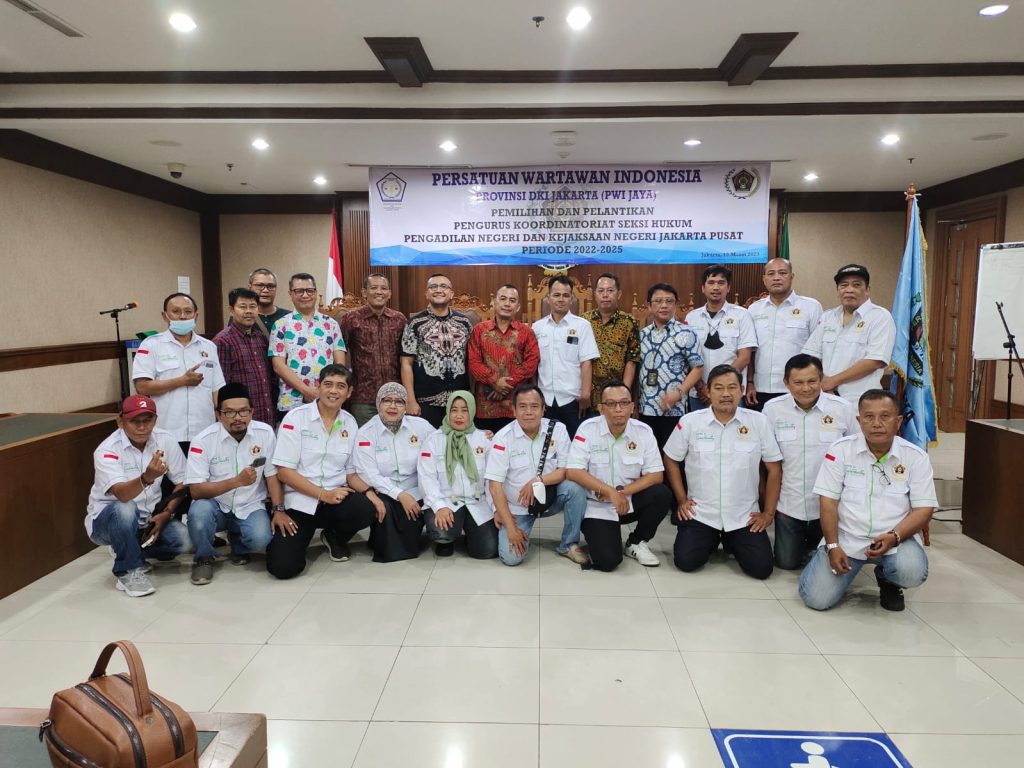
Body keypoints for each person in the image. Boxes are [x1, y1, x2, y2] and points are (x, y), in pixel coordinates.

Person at [799, 389, 937, 611]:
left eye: (885, 416)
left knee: (911, 572)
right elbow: (828, 502)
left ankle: (888, 579)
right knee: (816, 599)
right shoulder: (840, 451)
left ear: (898, 421)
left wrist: (894, 536)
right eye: (869, 417)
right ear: (859, 421)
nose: (876, 424)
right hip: (847, 537)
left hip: (896, 538)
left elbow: (924, 509)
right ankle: (828, 559)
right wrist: (833, 545)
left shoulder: (915, 457)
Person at [664, 364, 782, 580]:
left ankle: (731, 540)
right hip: (702, 514)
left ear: (742, 390)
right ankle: (712, 539)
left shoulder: (759, 422)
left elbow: (774, 468)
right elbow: (671, 458)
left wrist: (768, 513)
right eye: (718, 388)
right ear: (708, 392)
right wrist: (681, 500)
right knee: (686, 561)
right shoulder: (690, 422)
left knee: (762, 568)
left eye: (732, 387)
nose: (726, 394)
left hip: (743, 516)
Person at [267, 364, 377, 579]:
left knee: (365, 509)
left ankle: (334, 536)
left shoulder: (350, 423)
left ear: (349, 392)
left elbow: (350, 473)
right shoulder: (295, 418)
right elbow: (284, 472)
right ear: (318, 387)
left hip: (335, 499)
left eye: (340, 386)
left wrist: (370, 493)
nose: (333, 391)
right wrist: (322, 494)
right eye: (328, 384)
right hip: (300, 501)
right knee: (283, 568)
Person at [85, 395, 191, 598]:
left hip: (148, 520)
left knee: (184, 541)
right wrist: (146, 478)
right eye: (135, 421)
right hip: (107, 522)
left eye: (147, 420)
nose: (142, 427)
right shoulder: (107, 450)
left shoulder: (165, 440)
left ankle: (127, 547)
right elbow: (122, 494)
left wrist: (167, 513)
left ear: (155, 420)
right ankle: (128, 571)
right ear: (120, 421)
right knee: (125, 508)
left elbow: (183, 481)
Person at [762, 354, 859, 570]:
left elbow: (856, 453)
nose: (806, 388)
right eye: (798, 382)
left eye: (812, 381)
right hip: (789, 505)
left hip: (828, 506)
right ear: (786, 382)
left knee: (826, 559)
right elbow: (767, 462)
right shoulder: (772, 409)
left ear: (821, 379)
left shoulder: (842, 408)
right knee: (787, 563)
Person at [567, 381, 672, 571]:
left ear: (632, 407)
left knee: (661, 494)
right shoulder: (587, 429)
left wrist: (621, 492)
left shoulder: (643, 432)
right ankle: (605, 536)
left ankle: (636, 542)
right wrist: (608, 491)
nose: (618, 409)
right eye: (611, 404)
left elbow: (656, 474)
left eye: (624, 403)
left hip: (627, 501)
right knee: (608, 561)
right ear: (600, 408)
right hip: (596, 505)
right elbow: (573, 471)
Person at [185, 383, 280, 585]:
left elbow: (272, 476)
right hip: (215, 505)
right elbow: (196, 490)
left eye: (243, 411)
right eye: (229, 412)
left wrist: (279, 509)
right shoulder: (203, 440)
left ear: (252, 411)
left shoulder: (265, 433)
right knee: (199, 513)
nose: (238, 417)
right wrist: (236, 482)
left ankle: (238, 542)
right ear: (218, 414)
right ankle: (203, 557)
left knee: (261, 540)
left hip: (250, 504)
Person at [486, 384, 589, 566]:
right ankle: (519, 530)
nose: (529, 412)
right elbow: (494, 486)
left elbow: (566, 470)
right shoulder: (502, 438)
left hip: (549, 498)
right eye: (522, 406)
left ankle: (568, 544)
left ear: (543, 409)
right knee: (511, 559)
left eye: (534, 406)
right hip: (517, 507)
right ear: (514, 410)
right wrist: (510, 526)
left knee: (575, 488)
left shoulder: (558, 430)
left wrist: (538, 481)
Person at [132, 292, 225, 448]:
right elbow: (142, 387)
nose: (182, 316)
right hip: (166, 432)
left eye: (188, 311)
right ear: (165, 316)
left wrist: (223, 422)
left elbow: (217, 390)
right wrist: (181, 381)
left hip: (204, 431)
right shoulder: (151, 345)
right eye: (176, 311)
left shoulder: (209, 346)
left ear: (196, 316)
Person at [356, 383, 436, 562]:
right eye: (387, 401)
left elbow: (441, 443)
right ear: (378, 403)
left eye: (399, 402)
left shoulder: (421, 426)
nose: (393, 406)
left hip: (416, 490)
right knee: (386, 513)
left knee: (410, 524)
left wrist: (479, 435)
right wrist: (399, 494)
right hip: (384, 490)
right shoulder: (366, 433)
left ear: (406, 406)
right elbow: (369, 474)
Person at [801, 264, 896, 405]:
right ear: (837, 290)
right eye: (844, 285)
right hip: (825, 397)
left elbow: (876, 360)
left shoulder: (880, 316)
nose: (849, 290)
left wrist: (833, 381)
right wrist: (823, 382)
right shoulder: (828, 317)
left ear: (868, 290)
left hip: (860, 402)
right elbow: (810, 355)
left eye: (856, 285)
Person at [419, 391, 499, 558]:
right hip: (447, 501)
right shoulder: (434, 440)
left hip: (477, 502)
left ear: (472, 411)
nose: (459, 415)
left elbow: (491, 480)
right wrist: (439, 506)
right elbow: (427, 478)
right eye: (454, 410)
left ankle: (472, 533)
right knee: (442, 532)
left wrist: (496, 508)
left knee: (487, 551)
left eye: (465, 410)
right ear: (448, 411)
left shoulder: (485, 439)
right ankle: (446, 540)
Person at [745, 259, 823, 411]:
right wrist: (750, 383)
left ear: (791, 277)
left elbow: (819, 350)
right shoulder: (754, 309)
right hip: (760, 388)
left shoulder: (811, 307)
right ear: (764, 279)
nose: (776, 278)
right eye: (771, 274)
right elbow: (750, 352)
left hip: (798, 389)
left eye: (782, 273)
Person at [400, 273, 475, 428]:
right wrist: (411, 400)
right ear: (426, 294)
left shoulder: (464, 323)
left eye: (444, 286)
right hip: (426, 400)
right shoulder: (415, 323)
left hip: (459, 401)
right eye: (433, 287)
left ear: (451, 294)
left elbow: (473, 361)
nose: (439, 290)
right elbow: (406, 363)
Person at [269, 272, 347, 419]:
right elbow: (278, 365)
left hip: (327, 399)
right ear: (290, 294)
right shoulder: (280, 325)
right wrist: (306, 391)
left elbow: (340, 364)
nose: (305, 295)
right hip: (292, 401)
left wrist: (327, 389)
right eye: (299, 291)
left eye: (309, 291)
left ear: (316, 293)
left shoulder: (331, 324)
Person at [637, 283, 705, 449]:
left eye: (669, 301)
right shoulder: (642, 335)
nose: (664, 305)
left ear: (676, 304)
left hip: (674, 408)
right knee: (649, 455)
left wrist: (680, 392)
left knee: (673, 455)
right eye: (658, 301)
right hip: (646, 408)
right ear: (649, 305)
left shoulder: (686, 333)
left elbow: (698, 368)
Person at [533, 275, 600, 437]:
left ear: (571, 299)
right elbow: (533, 365)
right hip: (545, 400)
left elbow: (586, 361)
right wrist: (536, 395)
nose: (561, 299)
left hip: (573, 400)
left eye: (566, 295)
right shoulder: (537, 327)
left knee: (574, 444)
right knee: (547, 445)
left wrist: (585, 394)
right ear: (548, 298)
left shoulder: (582, 326)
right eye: (556, 295)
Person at [467, 284, 539, 434]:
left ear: (518, 307)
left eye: (512, 300)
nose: (507, 304)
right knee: (485, 445)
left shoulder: (527, 332)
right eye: (503, 299)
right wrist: (495, 382)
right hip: (486, 405)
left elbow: (531, 363)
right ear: (494, 302)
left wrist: (506, 384)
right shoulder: (479, 330)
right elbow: (474, 363)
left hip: (516, 405)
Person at [684, 265, 757, 413]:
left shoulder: (742, 315)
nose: (716, 287)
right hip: (698, 394)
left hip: (730, 392)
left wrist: (718, 386)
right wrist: (702, 388)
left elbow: (744, 357)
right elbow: (687, 357)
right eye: (711, 283)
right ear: (703, 288)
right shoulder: (691, 317)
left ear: (728, 288)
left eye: (721, 283)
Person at [338, 272, 408, 426]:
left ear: (389, 293)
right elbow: (339, 352)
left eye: (383, 288)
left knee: (394, 438)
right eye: (374, 288)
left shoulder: (399, 319)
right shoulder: (351, 319)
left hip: (394, 396)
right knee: (365, 439)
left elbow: (407, 358)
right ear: (364, 292)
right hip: (363, 397)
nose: (379, 292)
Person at [213, 288, 277, 426]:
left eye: (253, 306)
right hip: (239, 420)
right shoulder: (223, 341)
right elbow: (220, 387)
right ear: (231, 310)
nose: (248, 311)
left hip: (266, 414)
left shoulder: (261, 338)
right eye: (242, 307)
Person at [586, 272, 641, 409]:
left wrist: (624, 393)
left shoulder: (629, 322)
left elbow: (632, 360)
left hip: (617, 395)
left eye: (610, 290)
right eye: (601, 291)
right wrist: (583, 393)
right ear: (595, 294)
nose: (605, 295)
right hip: (589, 394)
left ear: (619, 294)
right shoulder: (584, 321)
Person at [248, 268, 290, 335]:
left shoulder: (289, 317)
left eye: (270, 286)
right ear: (249, 288)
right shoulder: (242, 317)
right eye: (260, 285)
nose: (265, 290)